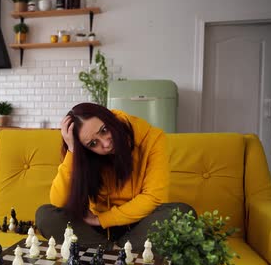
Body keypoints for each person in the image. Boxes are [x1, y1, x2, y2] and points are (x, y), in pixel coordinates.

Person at [35, 103, 194, 251]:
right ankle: (116, 253)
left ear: (110, 119)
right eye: (93, 144)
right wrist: (72, 151)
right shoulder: (83, 154)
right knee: (45, 215)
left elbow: (154, 198)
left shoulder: (153, 138)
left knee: (182, 213)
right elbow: (58, 202)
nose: (105, 144)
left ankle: (107, 254)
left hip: (139, 226)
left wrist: (101, 220)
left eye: (104, 130)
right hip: (97, 233)